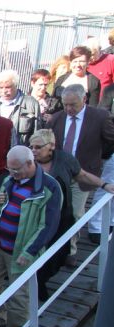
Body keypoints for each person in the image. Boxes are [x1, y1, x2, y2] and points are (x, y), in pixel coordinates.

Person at [0, 146, 62, 327]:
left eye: (16, 170)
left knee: (19, 297)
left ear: (30, 163)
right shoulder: (9, 180)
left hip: (22, 251)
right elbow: (1, 208)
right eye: (9, 169)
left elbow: (48, 226)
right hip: (0, 245)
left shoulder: (49, 187)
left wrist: (30, 251)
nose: (12, 174)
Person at [28, 129, 102, 298]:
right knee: (37, 250)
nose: (34, 150)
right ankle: (37, 285)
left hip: (61, 215)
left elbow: (82, 175)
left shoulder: (65, 160)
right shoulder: (28, 161)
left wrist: (104, 185)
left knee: (61, 253)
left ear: (51, 146)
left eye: (38, 147)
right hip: (34, 217)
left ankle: (41, 280)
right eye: (32, 147)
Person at [47, 84, 114, 262]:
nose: (68, 109)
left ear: (84, 99)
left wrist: (99, 157)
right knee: (56, 211)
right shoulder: (56, 119)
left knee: (76, 213)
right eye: (65, 104)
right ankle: (53, 249)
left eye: (73, 105)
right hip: (59, 173)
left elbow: (111, 139)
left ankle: (70, 251)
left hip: (83, 173)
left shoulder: (100, 117)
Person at [0, 69, 40, 146]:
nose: (4, 91)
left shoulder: (31, 103)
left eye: (8, 87)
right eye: (1, 87)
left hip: (21, 150)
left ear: (16, 85)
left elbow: (37, 131)